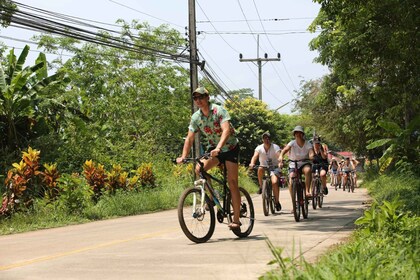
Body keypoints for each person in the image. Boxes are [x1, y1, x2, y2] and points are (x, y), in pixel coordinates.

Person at [176, 87, 241, 230]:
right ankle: (212, 198)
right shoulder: (196, 117)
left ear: (207, 97)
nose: (198, 100)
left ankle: (236, 220)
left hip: (229, 148)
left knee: (232, 182)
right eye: (195, 98)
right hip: (214, 149)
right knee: (199, 169)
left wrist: (219, 147)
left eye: (201, 97)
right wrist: (183, 156)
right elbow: (189, 138)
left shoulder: (219, 111)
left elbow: (226, 130)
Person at [278, 126, 314, 199]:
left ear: (302, 134)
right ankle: (293, 202)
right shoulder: (292, 143)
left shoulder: (307, 144)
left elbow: (311, 152)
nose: (298, 135)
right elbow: (285, 150)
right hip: (293, 164)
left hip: (304, 163)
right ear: (294, 135)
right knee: (291, 181)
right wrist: (281, 156)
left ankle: (307, 191)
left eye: (299, 133)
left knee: (308, 170)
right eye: (296, 133)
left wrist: (311, 156)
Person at [249, 131, 282, 211]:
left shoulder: (275, 147)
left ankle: (277, 202)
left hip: (274, 167)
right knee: (260, 169)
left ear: (270, 139)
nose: (266, 139)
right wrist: (252, 163)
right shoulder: (259, 148)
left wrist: (280, 162)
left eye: (268, 138)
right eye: (265, 138)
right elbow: (255, 156)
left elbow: (279, 155)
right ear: (262, 140)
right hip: (263, 166)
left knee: (274, 183)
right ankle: (261, 187)